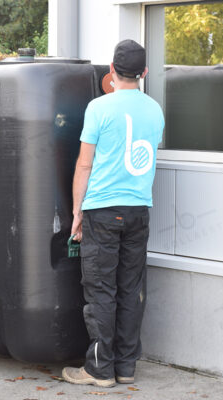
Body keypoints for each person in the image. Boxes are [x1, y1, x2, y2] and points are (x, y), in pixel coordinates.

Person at [62, 39, 165, 388]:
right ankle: (125, 366)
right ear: (145, 73)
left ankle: (98, 369)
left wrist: (77, 211)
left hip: (103, 211)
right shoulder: (155, 110)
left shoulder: (98, 108)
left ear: (111, 71)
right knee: (130, 289)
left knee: (101, 290)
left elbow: (84, 164)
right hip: (139, 210)